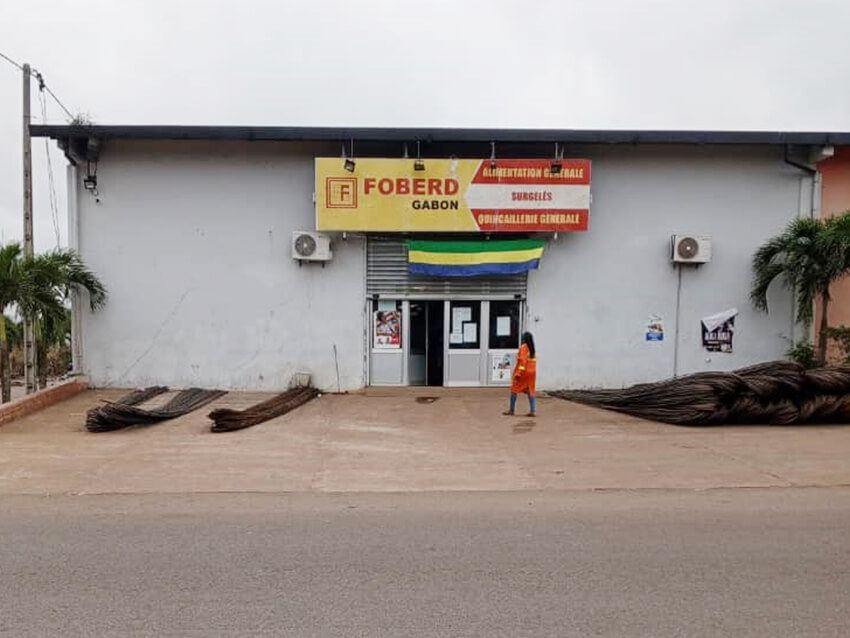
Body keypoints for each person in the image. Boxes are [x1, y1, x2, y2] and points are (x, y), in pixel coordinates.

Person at [504, 332, 537, 417]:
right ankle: (532, 410)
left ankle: (511, 410)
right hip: (532, 373)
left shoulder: (523, 347)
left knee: (514, 389)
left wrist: (518, 373)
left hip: (524, 372)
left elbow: (523, 361)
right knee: (530, 390)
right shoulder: (532, 348)